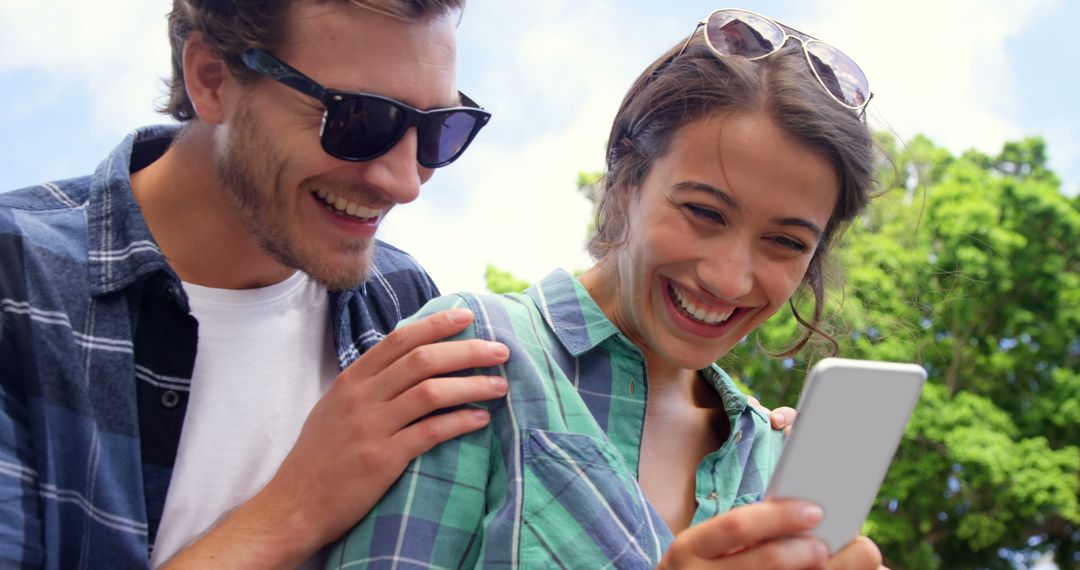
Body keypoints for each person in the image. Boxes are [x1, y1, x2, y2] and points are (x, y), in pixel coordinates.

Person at [0, 2, 799, 568]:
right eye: (358, 120)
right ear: (211, 78)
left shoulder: (402, 303)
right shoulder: (21, 285)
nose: (404, 180)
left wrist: (724, 437)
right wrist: (295, 507)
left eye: (439, 132)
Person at [327, 7, 886, 570]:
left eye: (786, 242)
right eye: (703, 212)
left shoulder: (772, 456)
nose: (729, 278)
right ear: (624, 183)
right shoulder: (471, 355)